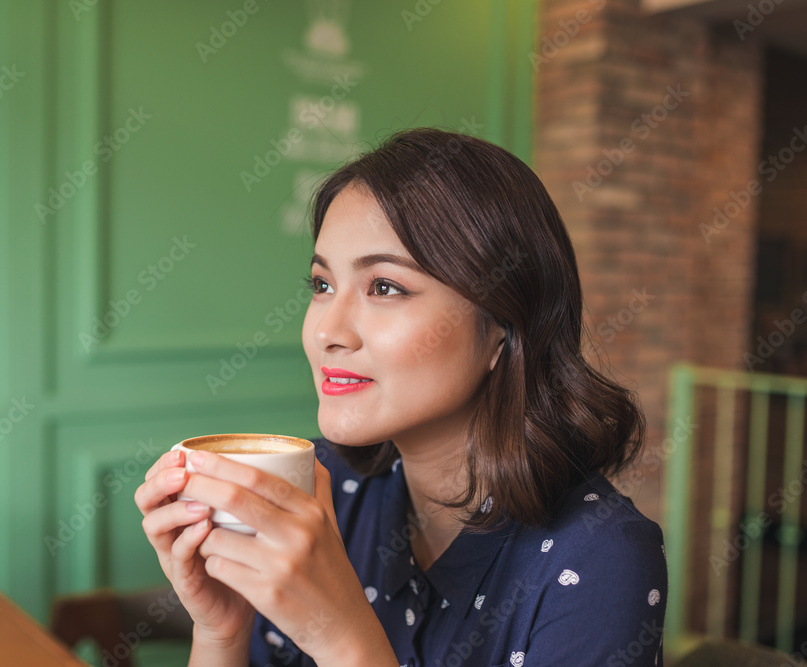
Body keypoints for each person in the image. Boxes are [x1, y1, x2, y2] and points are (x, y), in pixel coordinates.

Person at [135, 127, 667, 666]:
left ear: (504, 327)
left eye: (384, 287)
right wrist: (221, 630)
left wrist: (342, 637)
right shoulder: (323, 486)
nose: (327, 331)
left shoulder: (602, 559)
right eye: (322, 285)